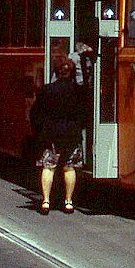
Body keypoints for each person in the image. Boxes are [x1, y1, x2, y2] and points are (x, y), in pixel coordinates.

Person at [29, 57, 89, 215]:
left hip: (51, 135)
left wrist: (40, 130)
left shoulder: (47, 90)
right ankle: (68, 202)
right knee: (69, 168)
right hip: (72, 134)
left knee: (49, 167)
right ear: (72, 73)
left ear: (56, 72)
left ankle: (46, 201)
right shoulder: (79, 91)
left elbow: (35, 113)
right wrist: (78, 128)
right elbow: (85, 114)